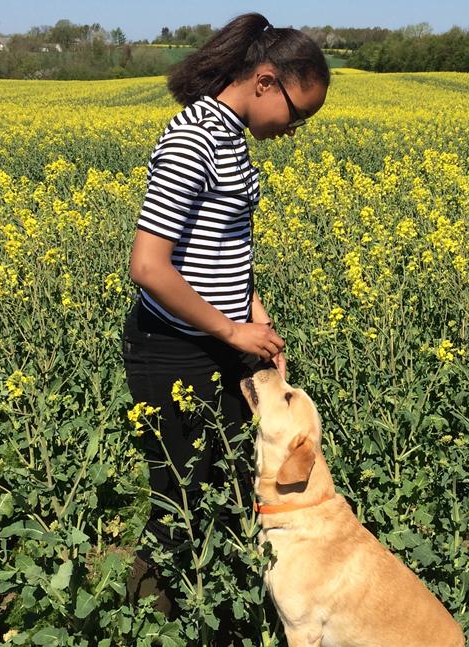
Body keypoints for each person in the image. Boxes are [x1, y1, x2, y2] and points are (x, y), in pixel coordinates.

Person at [120, 11, 330, 625]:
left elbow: (223, 249)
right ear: (265, 81)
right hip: (174, 350)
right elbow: (150, 265)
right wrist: (234, 330)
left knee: (231, 489)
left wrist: (256, 323)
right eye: (296, 114)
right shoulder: (194, 137)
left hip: (218, 342)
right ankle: (154, 622)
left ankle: (224, 618)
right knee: (181, 502)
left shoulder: (227, 135)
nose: (293, 131)